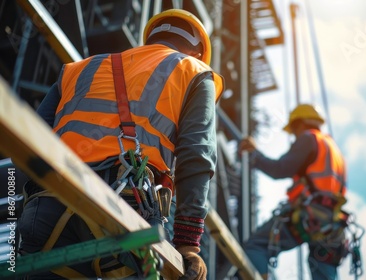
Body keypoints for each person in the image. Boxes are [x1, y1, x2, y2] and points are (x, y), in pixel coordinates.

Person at [18, 9, 224, 279]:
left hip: (50, 200)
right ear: (197, 53)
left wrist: (24, 203)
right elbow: (197, 154)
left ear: (148, 39)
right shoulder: (194, 71)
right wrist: (187, 242)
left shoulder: (79, 69)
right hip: (124, 205)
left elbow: (31, 136)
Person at [239, 104, 348, 280]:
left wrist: (254, 154)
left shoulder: (308, 138)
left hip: (308, 216)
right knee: (324, 271)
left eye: (294, 130)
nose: (294, 136)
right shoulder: (335, 151)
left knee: (256, 246)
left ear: (300, 124)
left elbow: (279, 169)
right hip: (333, 226)